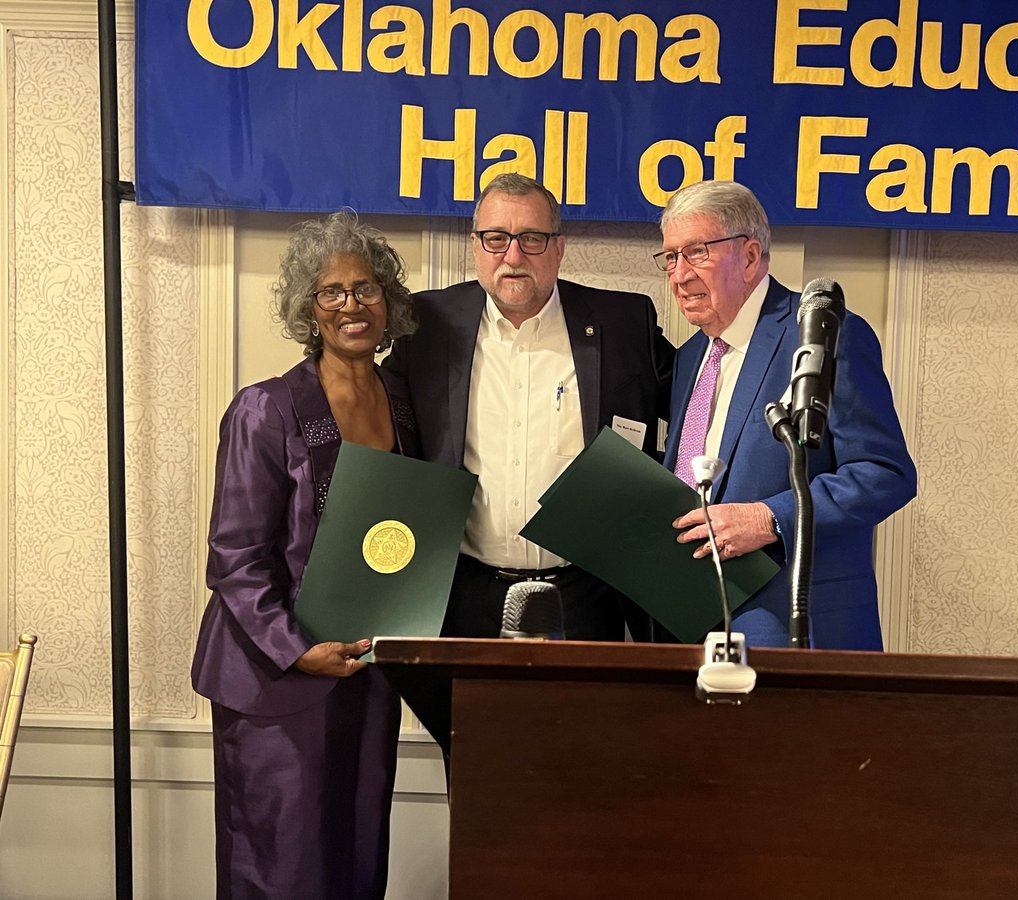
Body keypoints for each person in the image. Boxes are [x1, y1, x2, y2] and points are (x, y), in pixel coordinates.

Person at [191, 211, 419, 899]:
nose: (353, 304)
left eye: (368, 287)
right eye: (333, 292)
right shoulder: (265, 409)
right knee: (281, 867)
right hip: (275, 680)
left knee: (355, 856)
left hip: (366, 669)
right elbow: (234, 556)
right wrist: (295, 648)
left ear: (388, 301)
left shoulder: (401, 401)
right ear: (307, 308)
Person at [384, 173, 674, 642]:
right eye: (496, 239)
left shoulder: (622, 324)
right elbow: (382, 421)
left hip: (585, 596)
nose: (513, 256)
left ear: (559, 248)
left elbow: (698, 407)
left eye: (532, 239)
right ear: (475, 246)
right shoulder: (428, 324)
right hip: (464, 596)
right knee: (470, 719)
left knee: (583, 718)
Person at [660, 181, 916, 649]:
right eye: (671, 258)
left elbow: (886, 474)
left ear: (751, 255)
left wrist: (769, 518)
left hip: (794, 627)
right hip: (693, 623)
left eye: (696, 252)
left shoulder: (820, 334)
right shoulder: (688, 357)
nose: (679, 275)